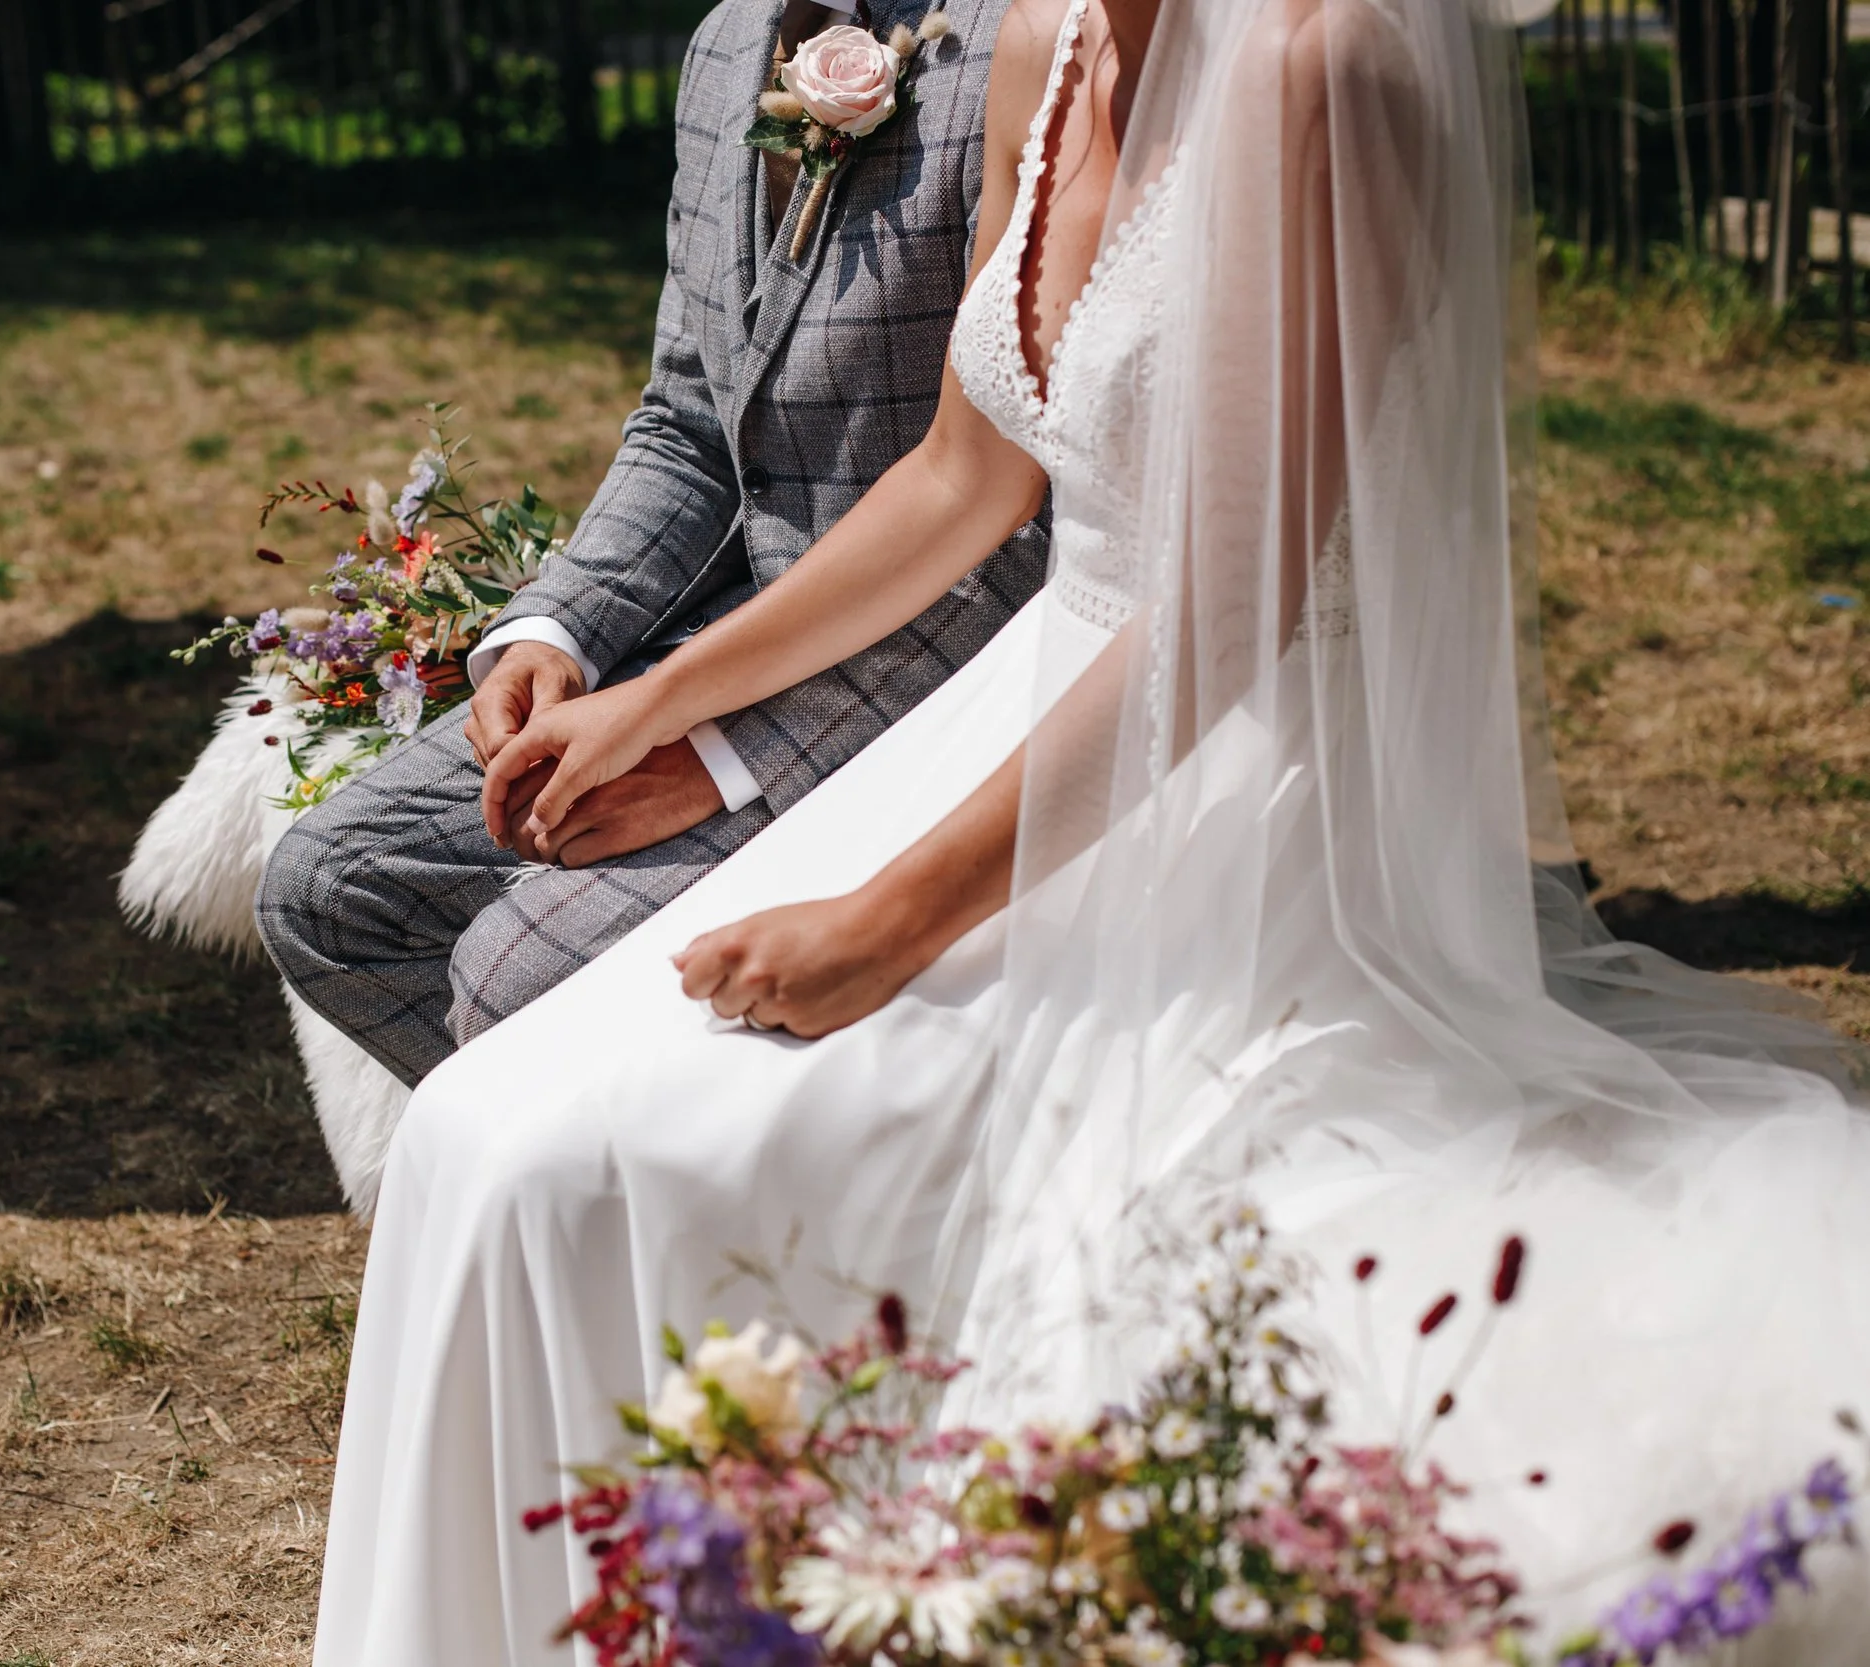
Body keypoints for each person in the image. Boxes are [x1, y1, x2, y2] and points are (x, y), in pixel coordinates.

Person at [314, 0, 1870, 1660]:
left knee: (583, 1161)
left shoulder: (1322, 64)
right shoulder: (1047, 38)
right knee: (486, 1129)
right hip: (1024, 713)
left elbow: (1232, 602)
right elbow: (959, 484)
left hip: (1249, 791)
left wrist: (892, 917)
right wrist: (661, 698)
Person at [253, 0, 1049, 1091]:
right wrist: (557, 631)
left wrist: (725, 754)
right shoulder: (726, 42)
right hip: (718, 645)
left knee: (517, 975)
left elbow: (1020, 521)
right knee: (332, 887)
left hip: (943, 685)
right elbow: (689, 420)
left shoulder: (1030, 49)